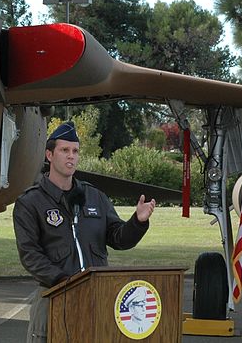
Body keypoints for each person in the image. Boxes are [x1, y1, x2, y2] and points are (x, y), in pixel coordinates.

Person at [13, 121, 156, 342]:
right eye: (64, 150)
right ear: (49, 155)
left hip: (95, 300)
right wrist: (67, 283)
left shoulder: (95, 197)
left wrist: (137, 222)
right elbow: (30, 255)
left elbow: (118, 238)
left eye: (75, 151)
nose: (71, 156)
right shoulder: (30, 202)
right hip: (54, 298)